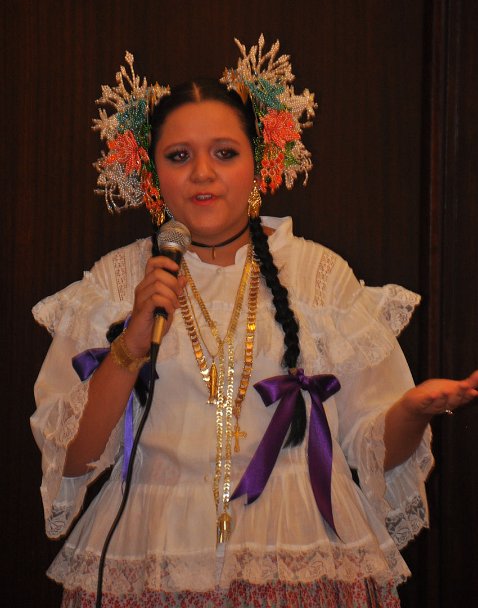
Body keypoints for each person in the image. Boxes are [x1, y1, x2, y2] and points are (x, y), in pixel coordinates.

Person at [31, 37, 478, 608]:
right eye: (178, 156)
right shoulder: (117, 283)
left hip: (298, 552)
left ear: (260, 162)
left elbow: (373, 452)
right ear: (150, 172)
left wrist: (413, 410)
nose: (202, 174)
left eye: (224, 153)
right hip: (154, 557)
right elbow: (71, 459)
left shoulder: (319, 276)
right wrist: (130, 345)